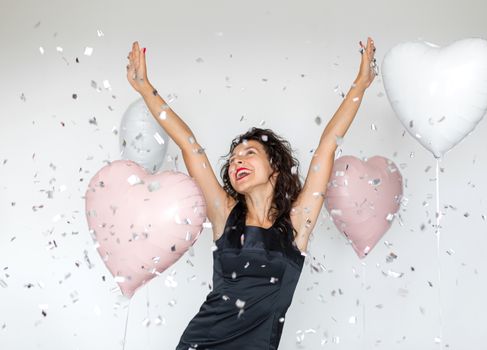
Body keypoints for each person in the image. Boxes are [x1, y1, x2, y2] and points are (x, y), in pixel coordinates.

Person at [126, 37, 377, 350]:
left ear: (274, 166)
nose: (237, 161)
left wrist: (360, 85)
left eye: (248, 153)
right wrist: (145, 87)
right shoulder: (224, 214)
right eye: (232, 160)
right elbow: (190, 146)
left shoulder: (297, 224)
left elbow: (327, 146)